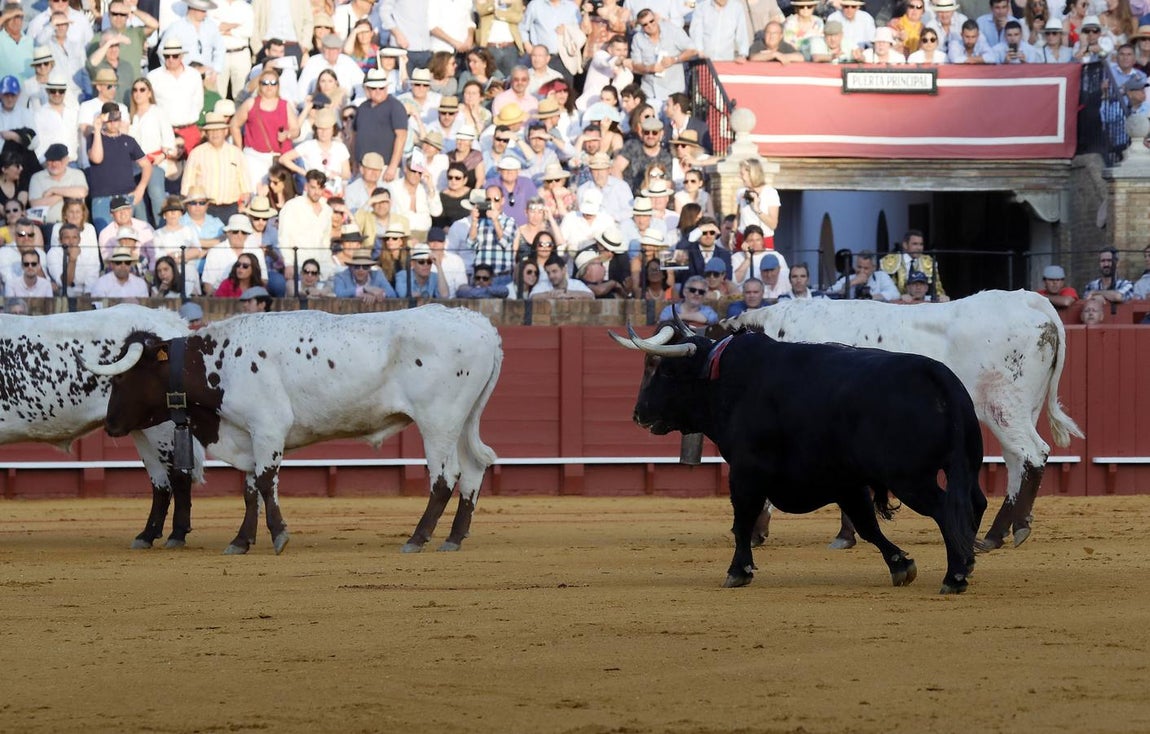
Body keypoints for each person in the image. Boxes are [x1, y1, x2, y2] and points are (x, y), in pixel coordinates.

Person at [85, 102, 150, 233]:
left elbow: (147, 165)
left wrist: (141, 188)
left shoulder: (129, 140)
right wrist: (97, 130)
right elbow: (97, 158)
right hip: (102, 198)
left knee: (134, 235)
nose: (114, 123)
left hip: (127, 196)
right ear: (103, 119)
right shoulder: (93, 138)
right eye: (110, 120)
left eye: (117, 119)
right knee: (106, 237)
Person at [629, 8, 697, 105]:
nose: (649, 25)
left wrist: (674, 60)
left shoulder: (673, 31)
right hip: (650, 93)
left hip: (673, 93)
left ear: (656, 19)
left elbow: (693, 50)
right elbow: (635, 65)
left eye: (651, 21)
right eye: (645, 24)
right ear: (641, 26)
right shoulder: (638, 39)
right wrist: (649, 68)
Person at [353, 69, 410, 185]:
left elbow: (401, 137)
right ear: (367, 89)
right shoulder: (362, 108)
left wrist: (393, 166)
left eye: (381, 88)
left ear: (387, 88)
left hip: (385, 168)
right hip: (363, 167)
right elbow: (355, 136)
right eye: (374, 88)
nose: (378, 91)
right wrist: (354, 162)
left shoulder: (395, 107)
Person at [880, 229, 948, 300]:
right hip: (896, 303)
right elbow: (883, 288)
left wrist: (942, 296)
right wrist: (899, 297)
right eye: (915, 244)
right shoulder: (890, 261)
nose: (919, 248)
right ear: (905, 245)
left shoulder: (928, 262)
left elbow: (937, 288)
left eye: (921, 244)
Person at [827, 251, 900, 301]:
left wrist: (871, 298)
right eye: (859, 267)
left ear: (873, 268)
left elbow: (895, 294)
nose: (862, 271)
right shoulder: (848, 278)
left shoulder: (881, 276)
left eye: (866, 268)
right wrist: (851, 283)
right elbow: (829, 293)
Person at [332, 253, 397, 302]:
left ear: (370, 268)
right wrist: (363, 289)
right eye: (357, 267)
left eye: (365, 267)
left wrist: (377, 295)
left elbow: (392, 293)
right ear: (351, 267)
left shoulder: (377, 275)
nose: (361, 270)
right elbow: (339, 293)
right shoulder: (341, 276)